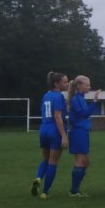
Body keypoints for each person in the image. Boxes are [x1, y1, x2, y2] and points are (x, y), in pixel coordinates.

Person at [32, 71, 69, 199]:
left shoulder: (46, 95)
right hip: (55, 130)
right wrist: (64, 136)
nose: (67, 84)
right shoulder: (59, 96)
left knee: (45, 159)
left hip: (43, 129)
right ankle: (45, 192)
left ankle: (38, 178)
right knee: (53, 162)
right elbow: (58, 116)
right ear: (56, 84)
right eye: (65, 82)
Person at [66, 74, 93, 197]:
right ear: (79, 86)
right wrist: (95, 102)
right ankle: (74, 190)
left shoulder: (81, 98)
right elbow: (85, 113)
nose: (89, 87)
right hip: (78, 132)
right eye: (87, 85)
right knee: (81, 160)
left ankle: (76, 189)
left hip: (83, 132)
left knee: (86, 162)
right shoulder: (76, 99)